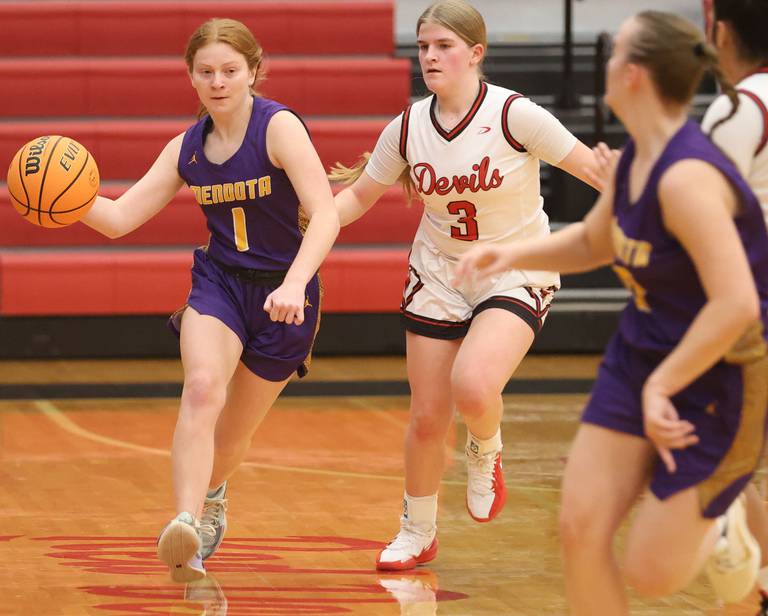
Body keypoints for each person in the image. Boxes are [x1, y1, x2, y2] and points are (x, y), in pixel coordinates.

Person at [455, 10, 768, 614]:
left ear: (635, 75)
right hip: (639, 356)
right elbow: (593, 244)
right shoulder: (631, 162)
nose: (606, 62)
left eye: (616, 52)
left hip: (716, 369)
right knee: (579, 528)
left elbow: (736, 302)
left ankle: (731, 529)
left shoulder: (688, 178)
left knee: (652, 575)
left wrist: (666, 386)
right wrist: (507, 252)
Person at [330, 0, 601, 571]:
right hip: (439, 270)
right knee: (427, 417)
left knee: (474, 387)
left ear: (476, 54)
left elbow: (592, 169)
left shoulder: (514, 115)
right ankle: (416, 530)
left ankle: (486, 447)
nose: (429, 56)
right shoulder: (406, 126)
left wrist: (663, 187)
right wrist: (310, 222)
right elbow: (357, 196)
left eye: (443, 46)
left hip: (514, 265)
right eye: (423, 46)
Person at [79, 18, 339, 582]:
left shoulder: (279, 128)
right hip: (220, 283)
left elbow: (327, 214)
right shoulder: (187, 148)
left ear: (253, 72)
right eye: (206, 71)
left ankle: (213, 493)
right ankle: (186, 527)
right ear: (191, 78)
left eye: (229, 70)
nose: (218, 81)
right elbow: (121, 217)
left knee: (233, 435)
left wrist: (295, 283)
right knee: (201, 389)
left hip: (285, 291)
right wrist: (67, 201)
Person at [700, 1, 768, 612]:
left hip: (751, 306)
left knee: (724, 463)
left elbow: (702, 219)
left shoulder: (741, 107)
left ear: (718, 29)